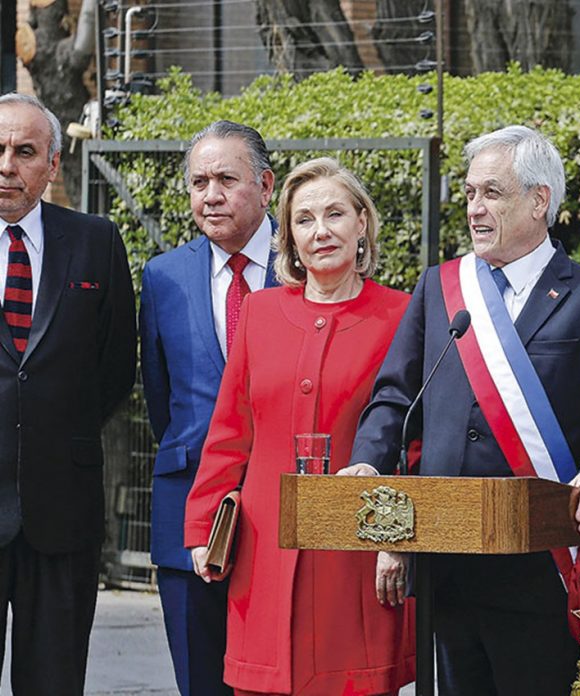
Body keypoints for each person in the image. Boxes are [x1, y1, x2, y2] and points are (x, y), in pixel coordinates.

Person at [349, 125, 580, 695]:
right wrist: (368, 461)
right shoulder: (441, 288)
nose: (474, 209)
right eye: (469, 193)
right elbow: (395, 397)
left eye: (492, 193)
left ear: (539, 201)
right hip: (446, 563)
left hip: (536, 569)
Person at [183, 158, 415, 695]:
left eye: (335, 214)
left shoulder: (402, 315)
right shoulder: (260, 313)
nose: (320, 231)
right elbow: (229, 432)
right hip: (263, 550)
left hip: (356, 556)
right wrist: (202, 527)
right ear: (288, 237)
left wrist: (398, 540)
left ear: (362, 222)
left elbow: (415, 441)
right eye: (304, 220)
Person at [0, 93, 136, 693]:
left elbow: (115, 366)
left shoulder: (95, 242)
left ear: (53, 164)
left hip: (63, 512)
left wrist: (54, 429)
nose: (6, 165)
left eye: (24, 151)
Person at [140, 120, 278, 696]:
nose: (211, 196)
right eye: (199, 183)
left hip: (283, 516)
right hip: (188, 515)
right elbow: (160, 398)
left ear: (266, 185)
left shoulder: (308, 265)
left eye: (226, 179)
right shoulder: (163, 276)